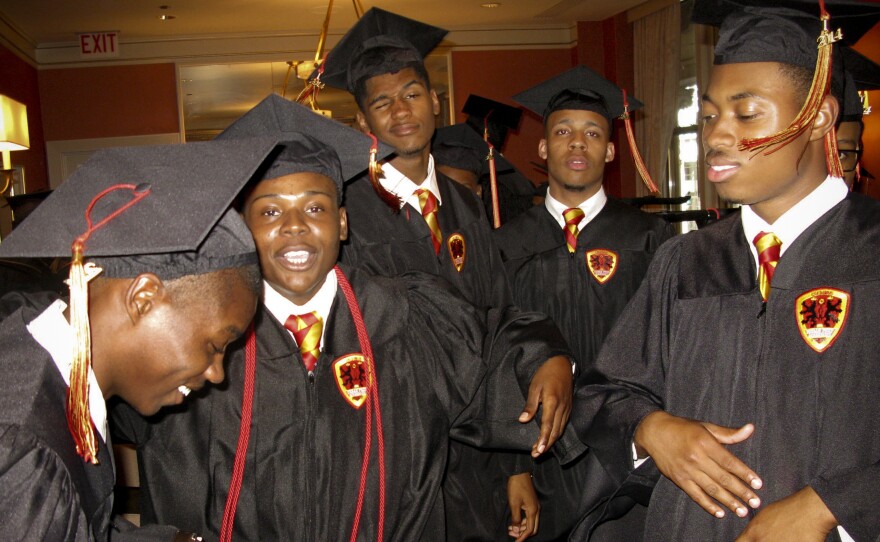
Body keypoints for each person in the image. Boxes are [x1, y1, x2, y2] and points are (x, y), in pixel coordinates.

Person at [112, 95, 572, 541]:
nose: (294, 225)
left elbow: (492, 341)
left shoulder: (407, 316)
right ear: (242, 229)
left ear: (344, 223)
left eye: (315, 207)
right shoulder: (193, 336)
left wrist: (546, 358)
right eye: (270, 211)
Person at [572, 2, 880, 540]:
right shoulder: (686, 262)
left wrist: (834, 505)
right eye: (709, 116)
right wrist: (652, 429)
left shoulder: (871, 253)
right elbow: (605, 391)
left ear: (819, 117)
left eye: (747, 112)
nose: (715, 136)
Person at [315, 8, 579, 541]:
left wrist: (517, 468)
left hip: (481, 461)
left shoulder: (465, 206)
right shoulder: (344, 213)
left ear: (435, 102)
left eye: (411, 93)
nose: (400, 110)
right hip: (396, 458)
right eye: (381, 102)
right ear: (363, 122)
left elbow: (498, 322)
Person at [0, 138, 273, 540]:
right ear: (143, 299)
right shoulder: (22, 448)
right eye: (216, 345)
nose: (217, 374)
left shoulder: (48, 373)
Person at [493, 65, 677, 541]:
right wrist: (515, 469)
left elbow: (668, 352)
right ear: (543, 148)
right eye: (563, 132)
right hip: (537, 452)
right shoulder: (505, 244)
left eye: (592, 132)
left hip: (625, 455)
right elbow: (493, 361)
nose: (577, 143)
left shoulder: (649, 238)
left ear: (610, 150)